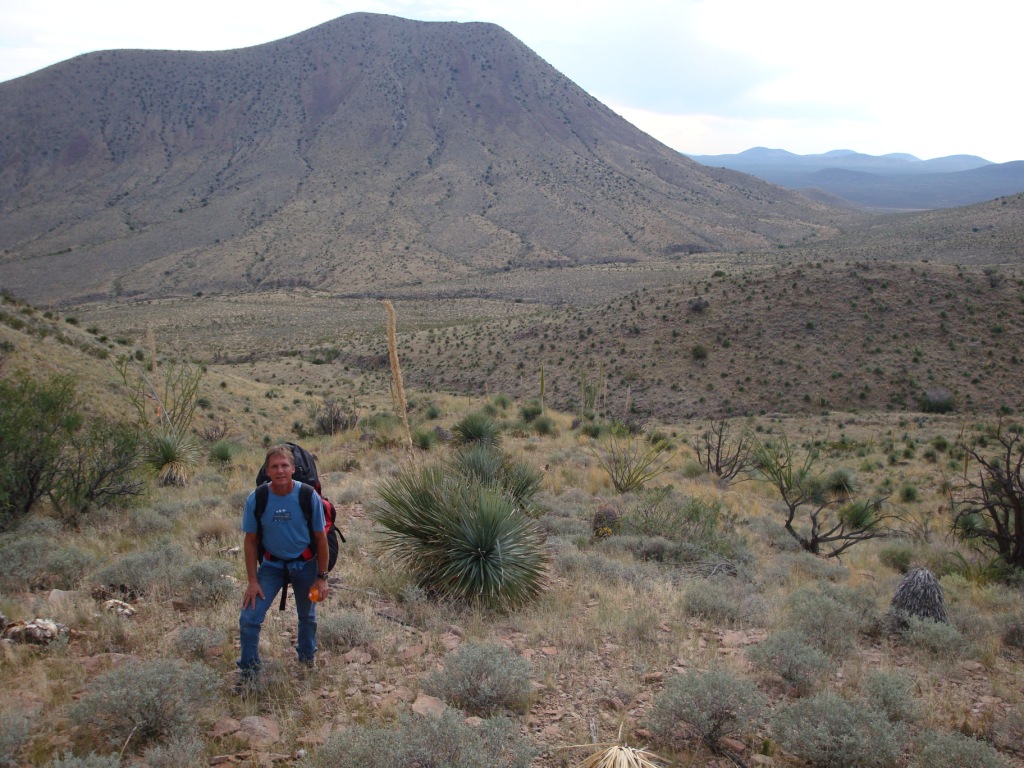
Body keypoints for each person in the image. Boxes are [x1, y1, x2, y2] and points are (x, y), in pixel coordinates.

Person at [237, 445, 330, 683]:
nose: (280, 470)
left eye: (284, 465)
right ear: (266, 471)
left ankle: (307, 660)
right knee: (249, 617)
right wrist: (252, 581)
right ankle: (249, 671)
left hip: (305, 565)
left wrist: (322, 577)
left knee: (307, 616)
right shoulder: (257, 498)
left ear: (293, 469)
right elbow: (250, 541)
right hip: (271, 567)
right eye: (274, 466)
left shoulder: (308, 496)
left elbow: (321, 538)